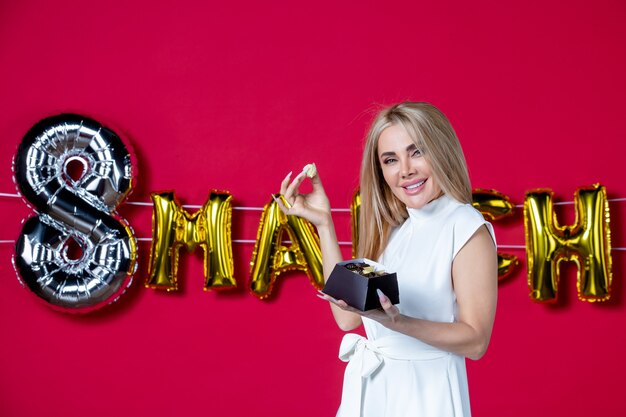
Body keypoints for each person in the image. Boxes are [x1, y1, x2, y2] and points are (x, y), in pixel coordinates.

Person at [277, 102, 497, 417]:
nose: (405, 170)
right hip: (372, 391)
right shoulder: (395, 227)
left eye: (417, 151)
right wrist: (324, 224)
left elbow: (476, 341)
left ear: (442, 151)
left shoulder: (465, 226)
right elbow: (348, 319)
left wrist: (398, 322)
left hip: (426, 396)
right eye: (391, 159)